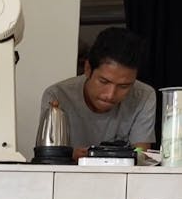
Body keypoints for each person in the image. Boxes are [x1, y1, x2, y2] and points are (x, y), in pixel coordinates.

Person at [40, 27, 156, 161]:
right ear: (88, 69)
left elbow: (141, 156)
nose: (110, 95)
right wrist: (70, 157)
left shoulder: (144, 96)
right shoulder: (57, 96)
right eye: (104, 81)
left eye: (124, 86)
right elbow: (49, 158)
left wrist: (132, 155)